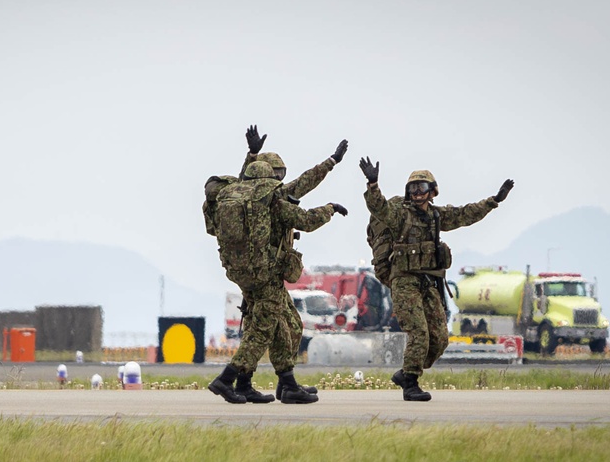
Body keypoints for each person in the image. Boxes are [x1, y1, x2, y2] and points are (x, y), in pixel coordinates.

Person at [203, 126, 346, 402]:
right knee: (264, 328)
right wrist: (330, 208)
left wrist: (331, 162)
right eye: (277, 173)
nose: (281, 179)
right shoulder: (270, 200)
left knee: (289, 324)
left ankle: (278, 383)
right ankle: (227, 379)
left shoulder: (234, 195)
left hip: (244, 272)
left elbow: (301, 182)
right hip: (264, 273)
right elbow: (305, 219)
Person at [360, 156, 513, 401]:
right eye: (412, 188)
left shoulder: (436, 217)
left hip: (428, 282)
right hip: (404, 281)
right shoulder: (400, 215)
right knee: (419, 332)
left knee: (440, 338)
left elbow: (465, 214)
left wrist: (493, 201)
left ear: (432, 191)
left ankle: (407, 371)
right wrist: (373, 184)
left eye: (421, 188)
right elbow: (380, 208)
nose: (417, 193)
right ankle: (410, 383)